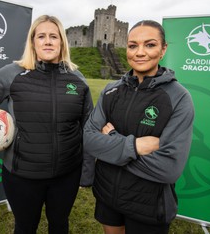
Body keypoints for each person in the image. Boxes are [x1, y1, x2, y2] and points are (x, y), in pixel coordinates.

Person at [0, 15, 94, 234]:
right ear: (33, 42)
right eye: (42, 36)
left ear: (62, 42)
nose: (48, 41)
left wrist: (87, 169)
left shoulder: (78, 79)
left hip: (67, 175)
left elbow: (88, 126)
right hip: (22, 176)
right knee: (25, 227)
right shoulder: (13, 73)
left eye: (53, 36)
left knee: (60, 225)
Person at [83, 20, 194, 234]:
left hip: (148, 204)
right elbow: (88, 140)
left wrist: (111, 143)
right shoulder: (111, 90)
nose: (140, 52)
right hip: (108, 195)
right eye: (133, 45)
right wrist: (135, 146)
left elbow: (169, 168)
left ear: (163, 50)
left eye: (150, 45)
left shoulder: (178, 97)